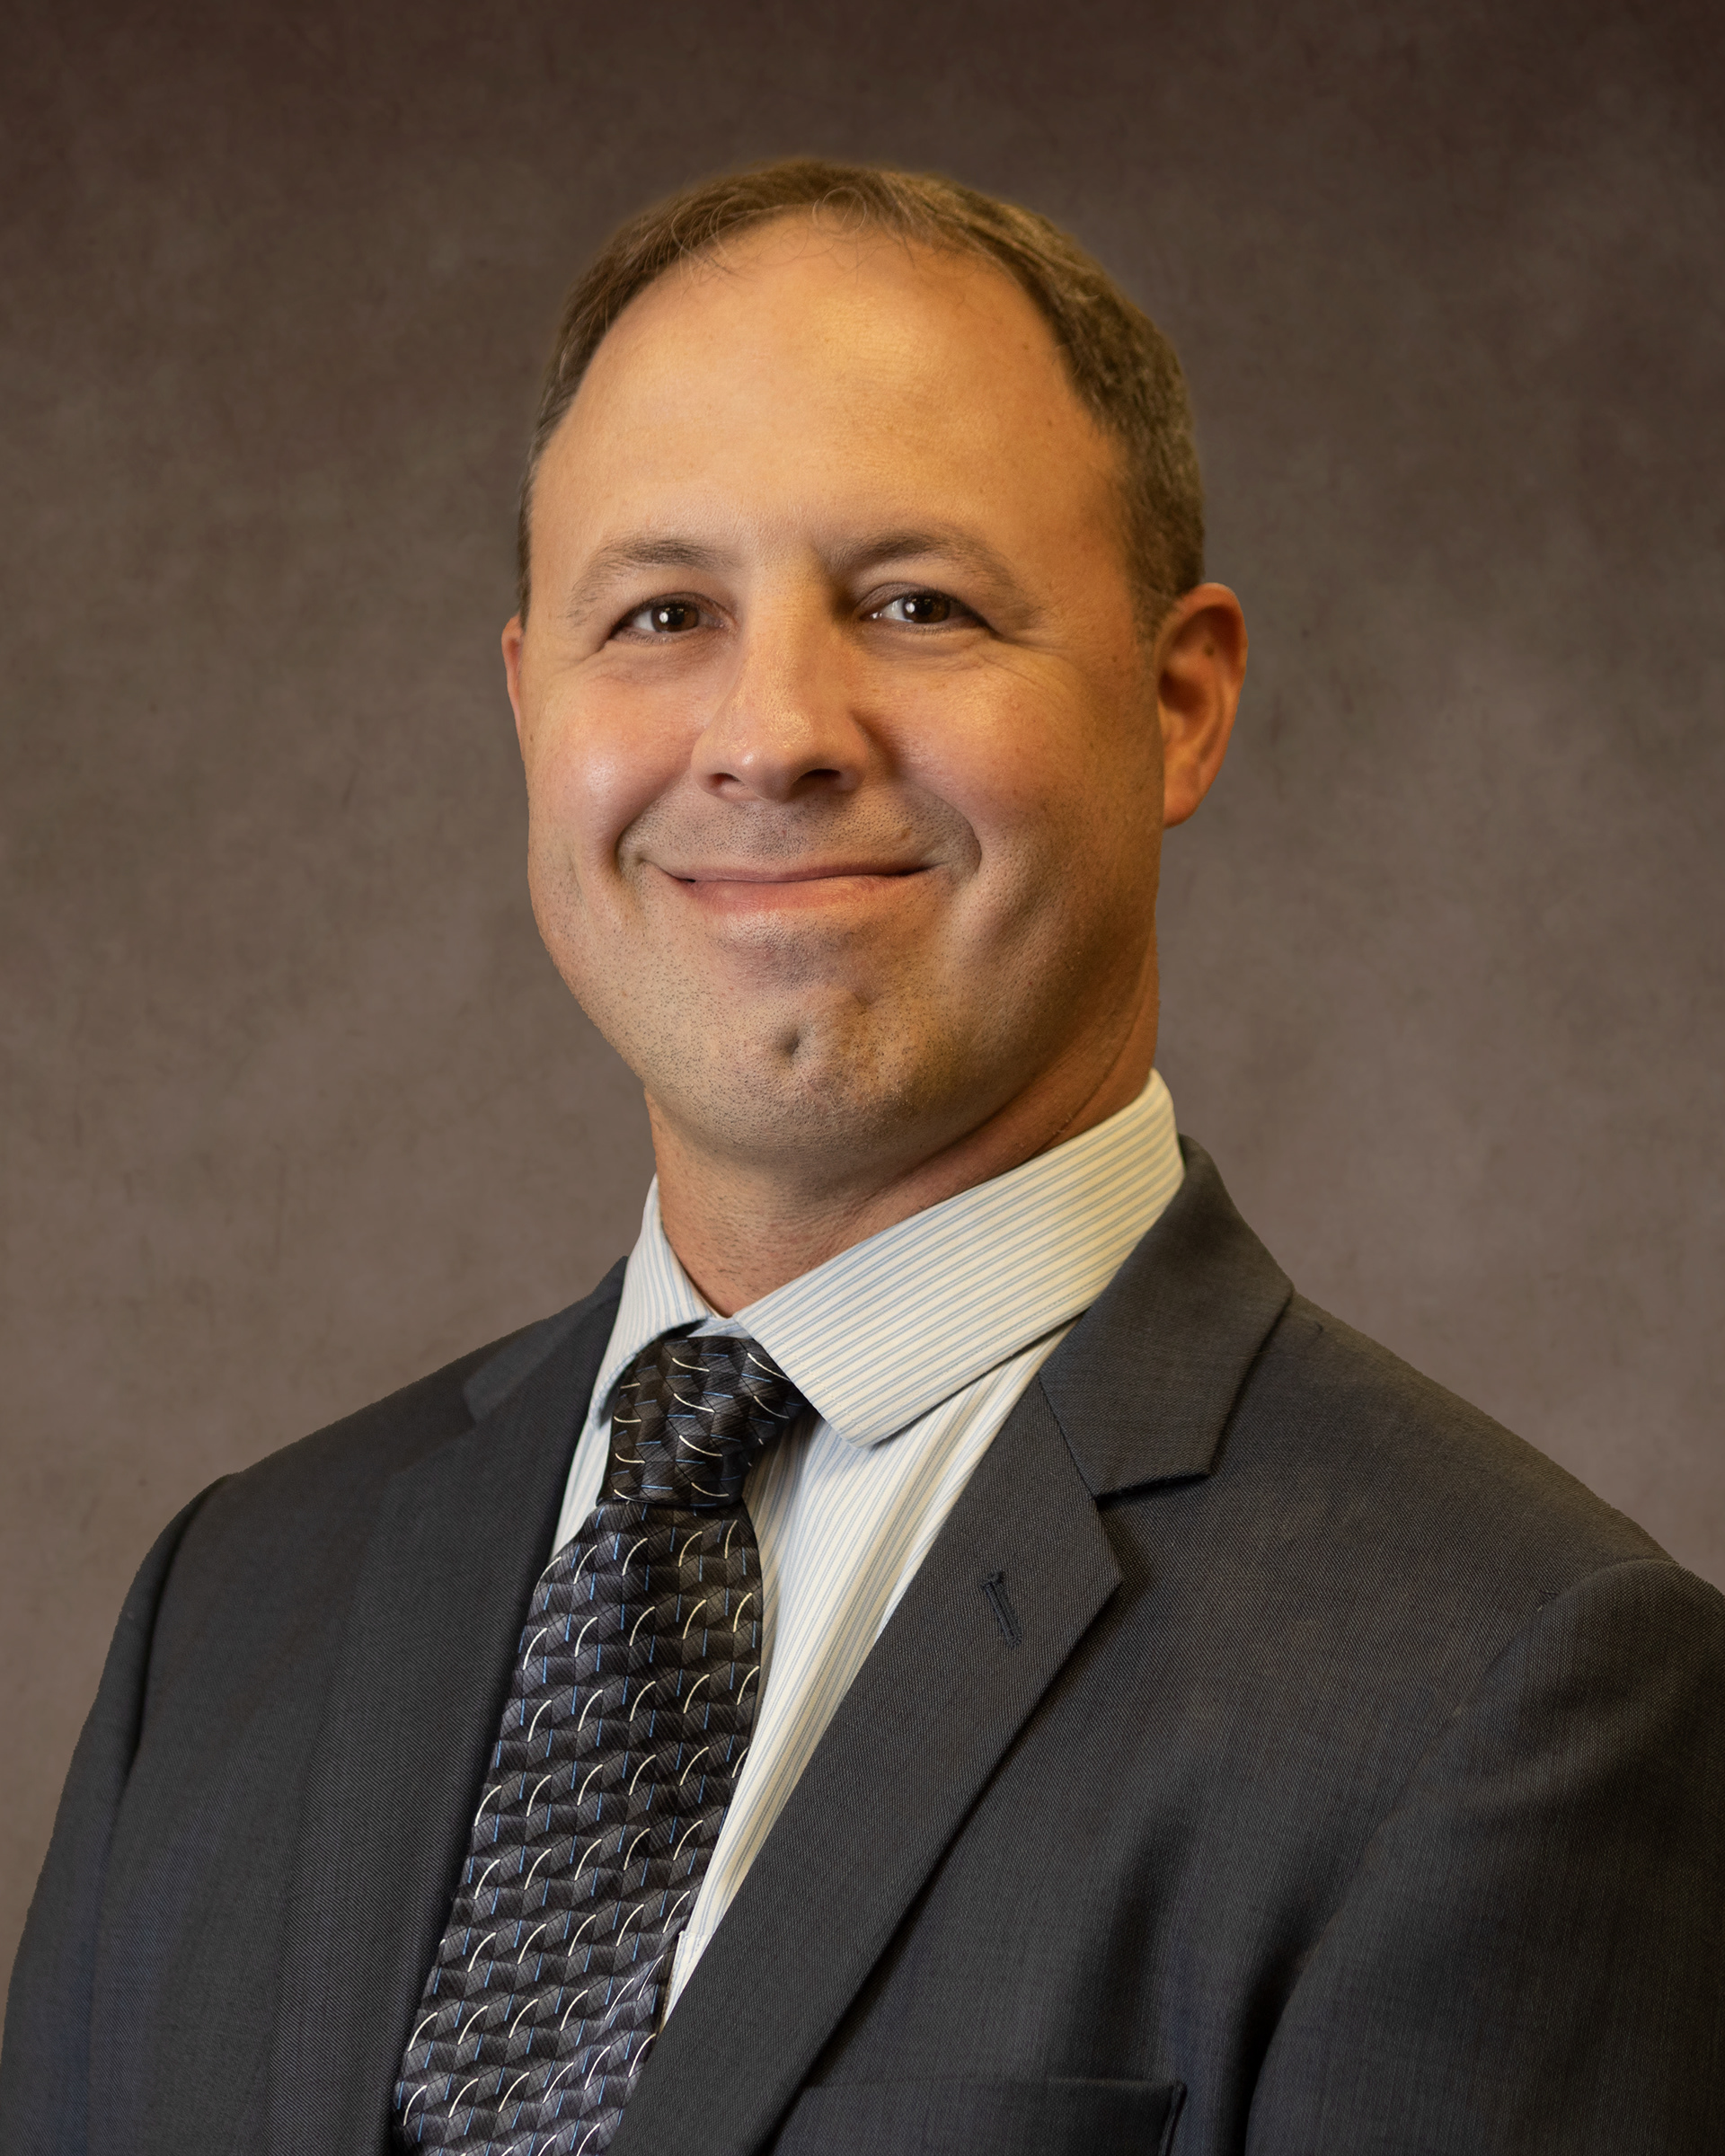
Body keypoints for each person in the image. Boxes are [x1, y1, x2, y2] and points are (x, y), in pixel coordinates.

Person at [2, 158, 1721, 2156]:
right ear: (531, 705)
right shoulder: (233, 1608)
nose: (772, 734)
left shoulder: (1508, 1695)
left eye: (916, 603)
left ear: (1180, 703)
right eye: (661, 613)